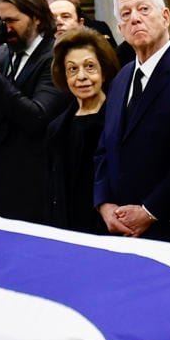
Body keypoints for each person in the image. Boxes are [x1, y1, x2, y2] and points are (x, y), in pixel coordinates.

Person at [94, 0, 170, 240]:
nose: (135, 19)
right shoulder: (120, 79)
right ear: (120, 29)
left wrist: (150, 211)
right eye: (126, 14)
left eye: (143, 9)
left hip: (169, 226)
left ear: (165, 17)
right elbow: (105, 147)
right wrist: (104, 204)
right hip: (119, 225)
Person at [0, 0, 64, 223]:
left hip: (36, 183)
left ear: (37, 18)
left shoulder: (55, 57)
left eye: (12, 21)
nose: (5, 29)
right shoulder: (0, 55)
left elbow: (36, 117)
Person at [43, 28, 115, 234]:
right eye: (72, 69)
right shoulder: (56, 128)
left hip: (110, 228)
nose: (82, 76)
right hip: (68, 232)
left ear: (104, 71)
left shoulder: (118, 118)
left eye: (90, 67)